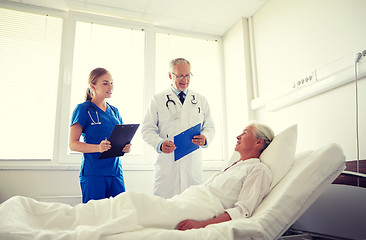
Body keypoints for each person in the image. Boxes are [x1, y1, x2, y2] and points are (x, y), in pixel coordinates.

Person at [0, 122, 274, 238]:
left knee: (132, 202)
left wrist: (203, 225)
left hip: (203, 208)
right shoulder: (235, 164)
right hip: (189, 197)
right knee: (126, 202)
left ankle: (58, 226)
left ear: (259, 141)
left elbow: (243, 211)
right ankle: (46, 217)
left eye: (245, 133)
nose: (238, 136)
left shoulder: (257, 170)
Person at [142, 58, 215, 198]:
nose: (185, 80)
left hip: (192, 167)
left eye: (188, 75)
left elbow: (210, 127)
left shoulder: (200, 100)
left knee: (191, 208)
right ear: (170, 75)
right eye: (180, 75)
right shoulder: (157, 100)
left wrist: (205, 138)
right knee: (164, 211)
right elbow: (147, 130)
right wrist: (160, 143)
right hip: (167, 167)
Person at [69, 67, 131, 204]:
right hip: (94, 173)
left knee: (121, 211)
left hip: (115, 172)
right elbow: (73, 144)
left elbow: (120, 139)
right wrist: (98, 148)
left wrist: (126, 147)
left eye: (112, 83)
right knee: (94, 216)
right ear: (93, 86)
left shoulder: (115, 111)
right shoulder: (83, 109)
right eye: (105, 83)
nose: (110, 87)